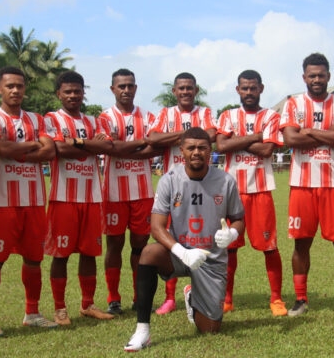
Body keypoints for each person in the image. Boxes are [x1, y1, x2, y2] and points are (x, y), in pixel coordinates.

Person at [124, 127, 245, 352]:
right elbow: (156, 227)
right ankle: (142, 330)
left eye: (202, 148)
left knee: (209, 330)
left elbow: (239, 219)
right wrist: (183, 252)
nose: (196, 152)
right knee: (149, 252)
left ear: (211, 151)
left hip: (211, 259)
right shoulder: (170, 179)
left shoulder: (225, 180)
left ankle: (192, 297)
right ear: (182, 151)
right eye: (191, 148)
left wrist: (232, 233)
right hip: (180, 253)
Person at [0, 67, 58, 337]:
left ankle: (32, 313)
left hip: (35, 202)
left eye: (20, 86)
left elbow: (49, 151)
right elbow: (1, 149)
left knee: (34, 259)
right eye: (10, 86)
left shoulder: (37, 119)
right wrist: (31, 146)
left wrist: (17, 149)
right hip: (3, 204)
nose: (15, 90)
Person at [280, 53, 334, 317]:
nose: (316, 79)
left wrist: (308, 131)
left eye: (321, 75)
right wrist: (329, 134)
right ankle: (301, 299)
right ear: (304, 77)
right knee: (301, 244)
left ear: (329, 76)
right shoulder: (293, 103)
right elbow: (291, 139)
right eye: (312, 75)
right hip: (301, 185)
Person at [44, 71, 115, 325]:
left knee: (89, 253)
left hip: (92, 197)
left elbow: (107, 147)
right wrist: (87, 144)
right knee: (60, 254)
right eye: (68, 91)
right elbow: (58, 149)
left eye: (78, 91)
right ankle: (60, 308)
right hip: (63, 197)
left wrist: (74, 142)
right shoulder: (52, 118)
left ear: (84, 92)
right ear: (59, 94)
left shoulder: (94, 120)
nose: (73, 95)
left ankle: (87, 304)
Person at [146, 72, 217, 315]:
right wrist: (186, 136)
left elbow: (211, 135)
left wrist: (175, 138)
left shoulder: (205, 112)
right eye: (181, 88)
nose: (185, 92)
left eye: (189, 88)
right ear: (174, 92)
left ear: (196, 90)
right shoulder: (165, 114)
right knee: (170, 237)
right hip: (173, 185)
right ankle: (169, 298)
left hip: (201, 183)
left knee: (201, 236)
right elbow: (153, 137)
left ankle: (198, 289)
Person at [216, 69, 286, 315]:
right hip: (231, 192)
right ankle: (226, 299)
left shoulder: (270, 116)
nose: (248, 92)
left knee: (269, 246)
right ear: (238, 89)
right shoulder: (227, 115)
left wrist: (239, 139)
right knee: (229, 247)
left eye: (252, 88)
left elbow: (267, 151)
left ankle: (276, 299)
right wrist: (256, 136)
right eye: (244, 88)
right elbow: (222, 145)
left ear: (261, 89)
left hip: (261, 190)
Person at [99, 69, 163, 314]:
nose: (126, 90)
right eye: (121, 86)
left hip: (143, 191)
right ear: (113, 89)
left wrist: (120, 147)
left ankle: (139, 297)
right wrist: (138, 145)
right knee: (114, 245)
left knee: (140, 245)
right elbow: (110, 148)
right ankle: (114, 298)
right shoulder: (104, 118)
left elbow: (155, 148)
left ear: (136, 88)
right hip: (114, 193)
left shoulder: (148, 117)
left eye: (130, 86)